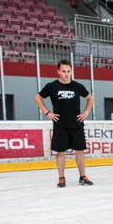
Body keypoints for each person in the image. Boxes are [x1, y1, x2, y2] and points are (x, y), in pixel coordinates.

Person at [35, 59, 94, 188]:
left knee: (80, 151)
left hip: (76, 124)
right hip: (60, 125)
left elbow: (90, 98)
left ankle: (82, 176)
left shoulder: (77, 86)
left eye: (69, 71)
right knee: (60, 152)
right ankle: (61, 178)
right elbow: (38, 98)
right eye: (64, 71)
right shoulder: (52, 86)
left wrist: (86, 112)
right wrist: (47, 113)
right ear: (58, 72)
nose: (67, 74)